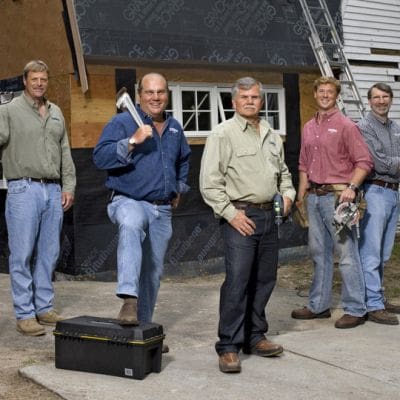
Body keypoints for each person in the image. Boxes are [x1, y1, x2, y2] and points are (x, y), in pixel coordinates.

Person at [200, 77, 295, 374]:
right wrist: (230, 214)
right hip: (241, 218)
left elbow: (285, 175)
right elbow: (209, 182)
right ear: (234, 102)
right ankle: (228, 346)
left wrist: (289, 196)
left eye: (255, 97)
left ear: (261, 101)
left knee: (265, 279)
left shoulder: (270, 133)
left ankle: (255, 337)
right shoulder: (222, 134)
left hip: (270, 216)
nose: (251, 101)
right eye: (245, 97)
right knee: (238, 281)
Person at [93, 73, 190, 334]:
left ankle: (143, 330)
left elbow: (183, 160)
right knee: (132, 224)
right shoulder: (122, 122)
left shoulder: (174, 128)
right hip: (129, 200)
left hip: (162, 208)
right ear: (139, 95)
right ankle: (128, 298)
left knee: (152, 273)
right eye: (149, 92)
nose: (155, 97)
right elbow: (100, 157)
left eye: (160, 92)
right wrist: (133, 141)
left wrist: (179, 187)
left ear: (167, 94)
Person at [0, 60, 76, 336]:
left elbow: (65, 152)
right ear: (25, 81)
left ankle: (44, 307)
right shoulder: (9, 111)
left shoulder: (56, 112)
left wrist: (69, 186)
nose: (39, 84)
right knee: (21, 255)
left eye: (43, 79)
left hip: (53, 190)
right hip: (24, 189)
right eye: (34, 79)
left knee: (48, 253)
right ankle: (24, 314)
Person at [291, 76, 373, 329]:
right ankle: (319, 306)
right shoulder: (308, 127)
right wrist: (301, 193)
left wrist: (351, 188)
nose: (325, 95)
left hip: (338, 198)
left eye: (330, 91)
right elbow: (304, 164)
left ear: (336, 95)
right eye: (321, 91)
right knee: (318, 253)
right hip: (314, 197)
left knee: (346, 254)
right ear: (315, 94)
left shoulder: (347, 125)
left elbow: (364, 162)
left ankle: (357, 308)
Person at [358, 83, 400, 325]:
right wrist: (394, 162)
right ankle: (372, 305)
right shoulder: (363, 126)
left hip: (394, 192)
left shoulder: (395, 127)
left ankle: (378, 298)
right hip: (374, 190)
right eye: (376, 97)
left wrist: (393, 162)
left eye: (385, 97)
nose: (381, 101)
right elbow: (378, 163)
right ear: (369, 100)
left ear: (391, 100)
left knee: (384, 252)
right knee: (371, 252)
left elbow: (390, 161)